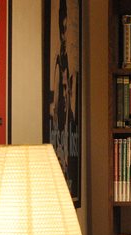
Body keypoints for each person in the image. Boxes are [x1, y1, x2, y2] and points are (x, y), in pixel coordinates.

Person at [51, 0, 75, 177]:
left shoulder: (68, 64)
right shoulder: (59, 63)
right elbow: (57, 102)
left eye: (66, 29)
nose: (64, 35)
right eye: (63, 29)